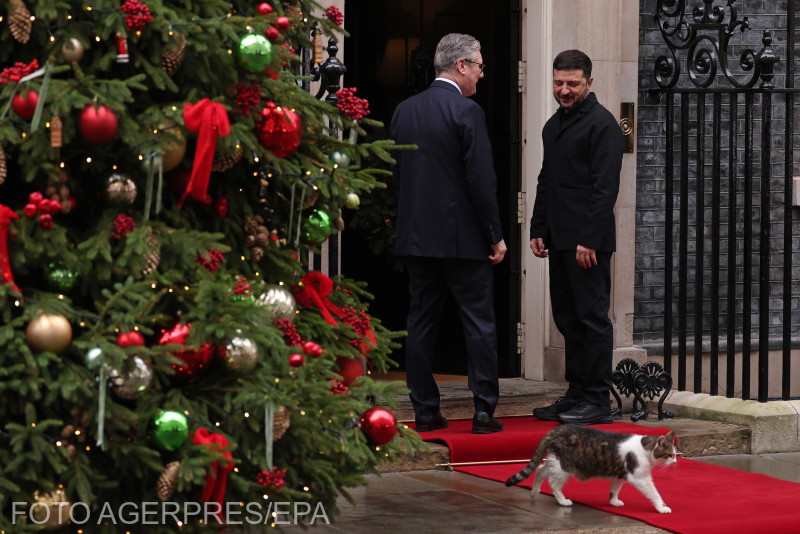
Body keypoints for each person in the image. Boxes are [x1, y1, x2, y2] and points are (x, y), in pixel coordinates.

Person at [390, 33, 507, 435]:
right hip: (463, 240)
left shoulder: (404, 111)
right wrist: (495, 235)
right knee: (478, 323)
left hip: (418, 238)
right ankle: (483, 412)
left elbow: (397, 177)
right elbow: (481, 180)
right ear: (460, 66)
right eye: (478, 65)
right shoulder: (467, 110)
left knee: (421, 321)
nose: (481, 73)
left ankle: (424, 411)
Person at [530, 49, 623, 426]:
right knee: (567, 318)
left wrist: (589, 239)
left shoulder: (603, 125)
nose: (564, 90)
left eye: (572, 83)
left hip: (589, 243)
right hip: (560, 238)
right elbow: (545, 180)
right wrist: (538, 228)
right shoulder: (553, 126)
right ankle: (577, 392)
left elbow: (605, 188)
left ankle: (598, 398)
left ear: (589, 82)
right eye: (558, 82)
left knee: (591, 318)